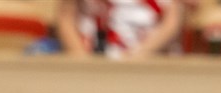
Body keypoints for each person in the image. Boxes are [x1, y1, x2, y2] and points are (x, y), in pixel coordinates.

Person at [56, 0, 188, 58]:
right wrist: (81, 57)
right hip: (92, 59)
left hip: (149, 62)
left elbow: (172, 23)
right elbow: (66, 17)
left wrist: (140, 55)